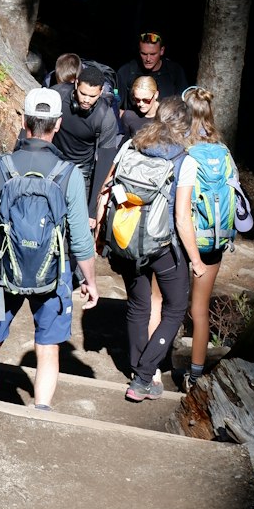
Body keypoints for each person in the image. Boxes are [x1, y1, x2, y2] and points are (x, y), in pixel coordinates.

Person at [0, 87, 99, 409]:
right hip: (53, 275)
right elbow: (81, 239)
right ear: (59, 124)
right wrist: (90, 281)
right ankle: (40, 414)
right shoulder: (69, 174)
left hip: (4, 274)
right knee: (48, 346)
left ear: (24, 122)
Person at [95, 99, 191, 401]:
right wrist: (197, 262)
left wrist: (100, 234)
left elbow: (105, 190)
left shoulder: (129, 147)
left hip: (126, 239)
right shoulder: (184, 160)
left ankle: (139, 372)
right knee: (175, 308)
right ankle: (144, 376)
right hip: (163, 246)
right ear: (186, 127)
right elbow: (181, 217)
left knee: (138, 306)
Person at [175, 85, 236, 392]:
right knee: (199, 310)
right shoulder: (223, 152)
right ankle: (195, 375)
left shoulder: (183, 152)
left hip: (182, 238)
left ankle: (153, 368)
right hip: (214, 238)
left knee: (167, 303)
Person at [52, 63, 124, 210]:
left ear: (101, 91)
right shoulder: (57, 95)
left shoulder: (105, 116)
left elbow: (104, 162)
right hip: (52, 162)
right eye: (82, 93)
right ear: (76, 84)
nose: (86, 100)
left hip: (81, 172)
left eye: (92, 96)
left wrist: (91, 210)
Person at [115, 32, 188, 111]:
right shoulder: (126, 71)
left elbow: (183, 105)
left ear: (162, 51)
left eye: (153, 54)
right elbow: (115, 105)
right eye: (144, 54)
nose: (148, 59)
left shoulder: (174, 71)